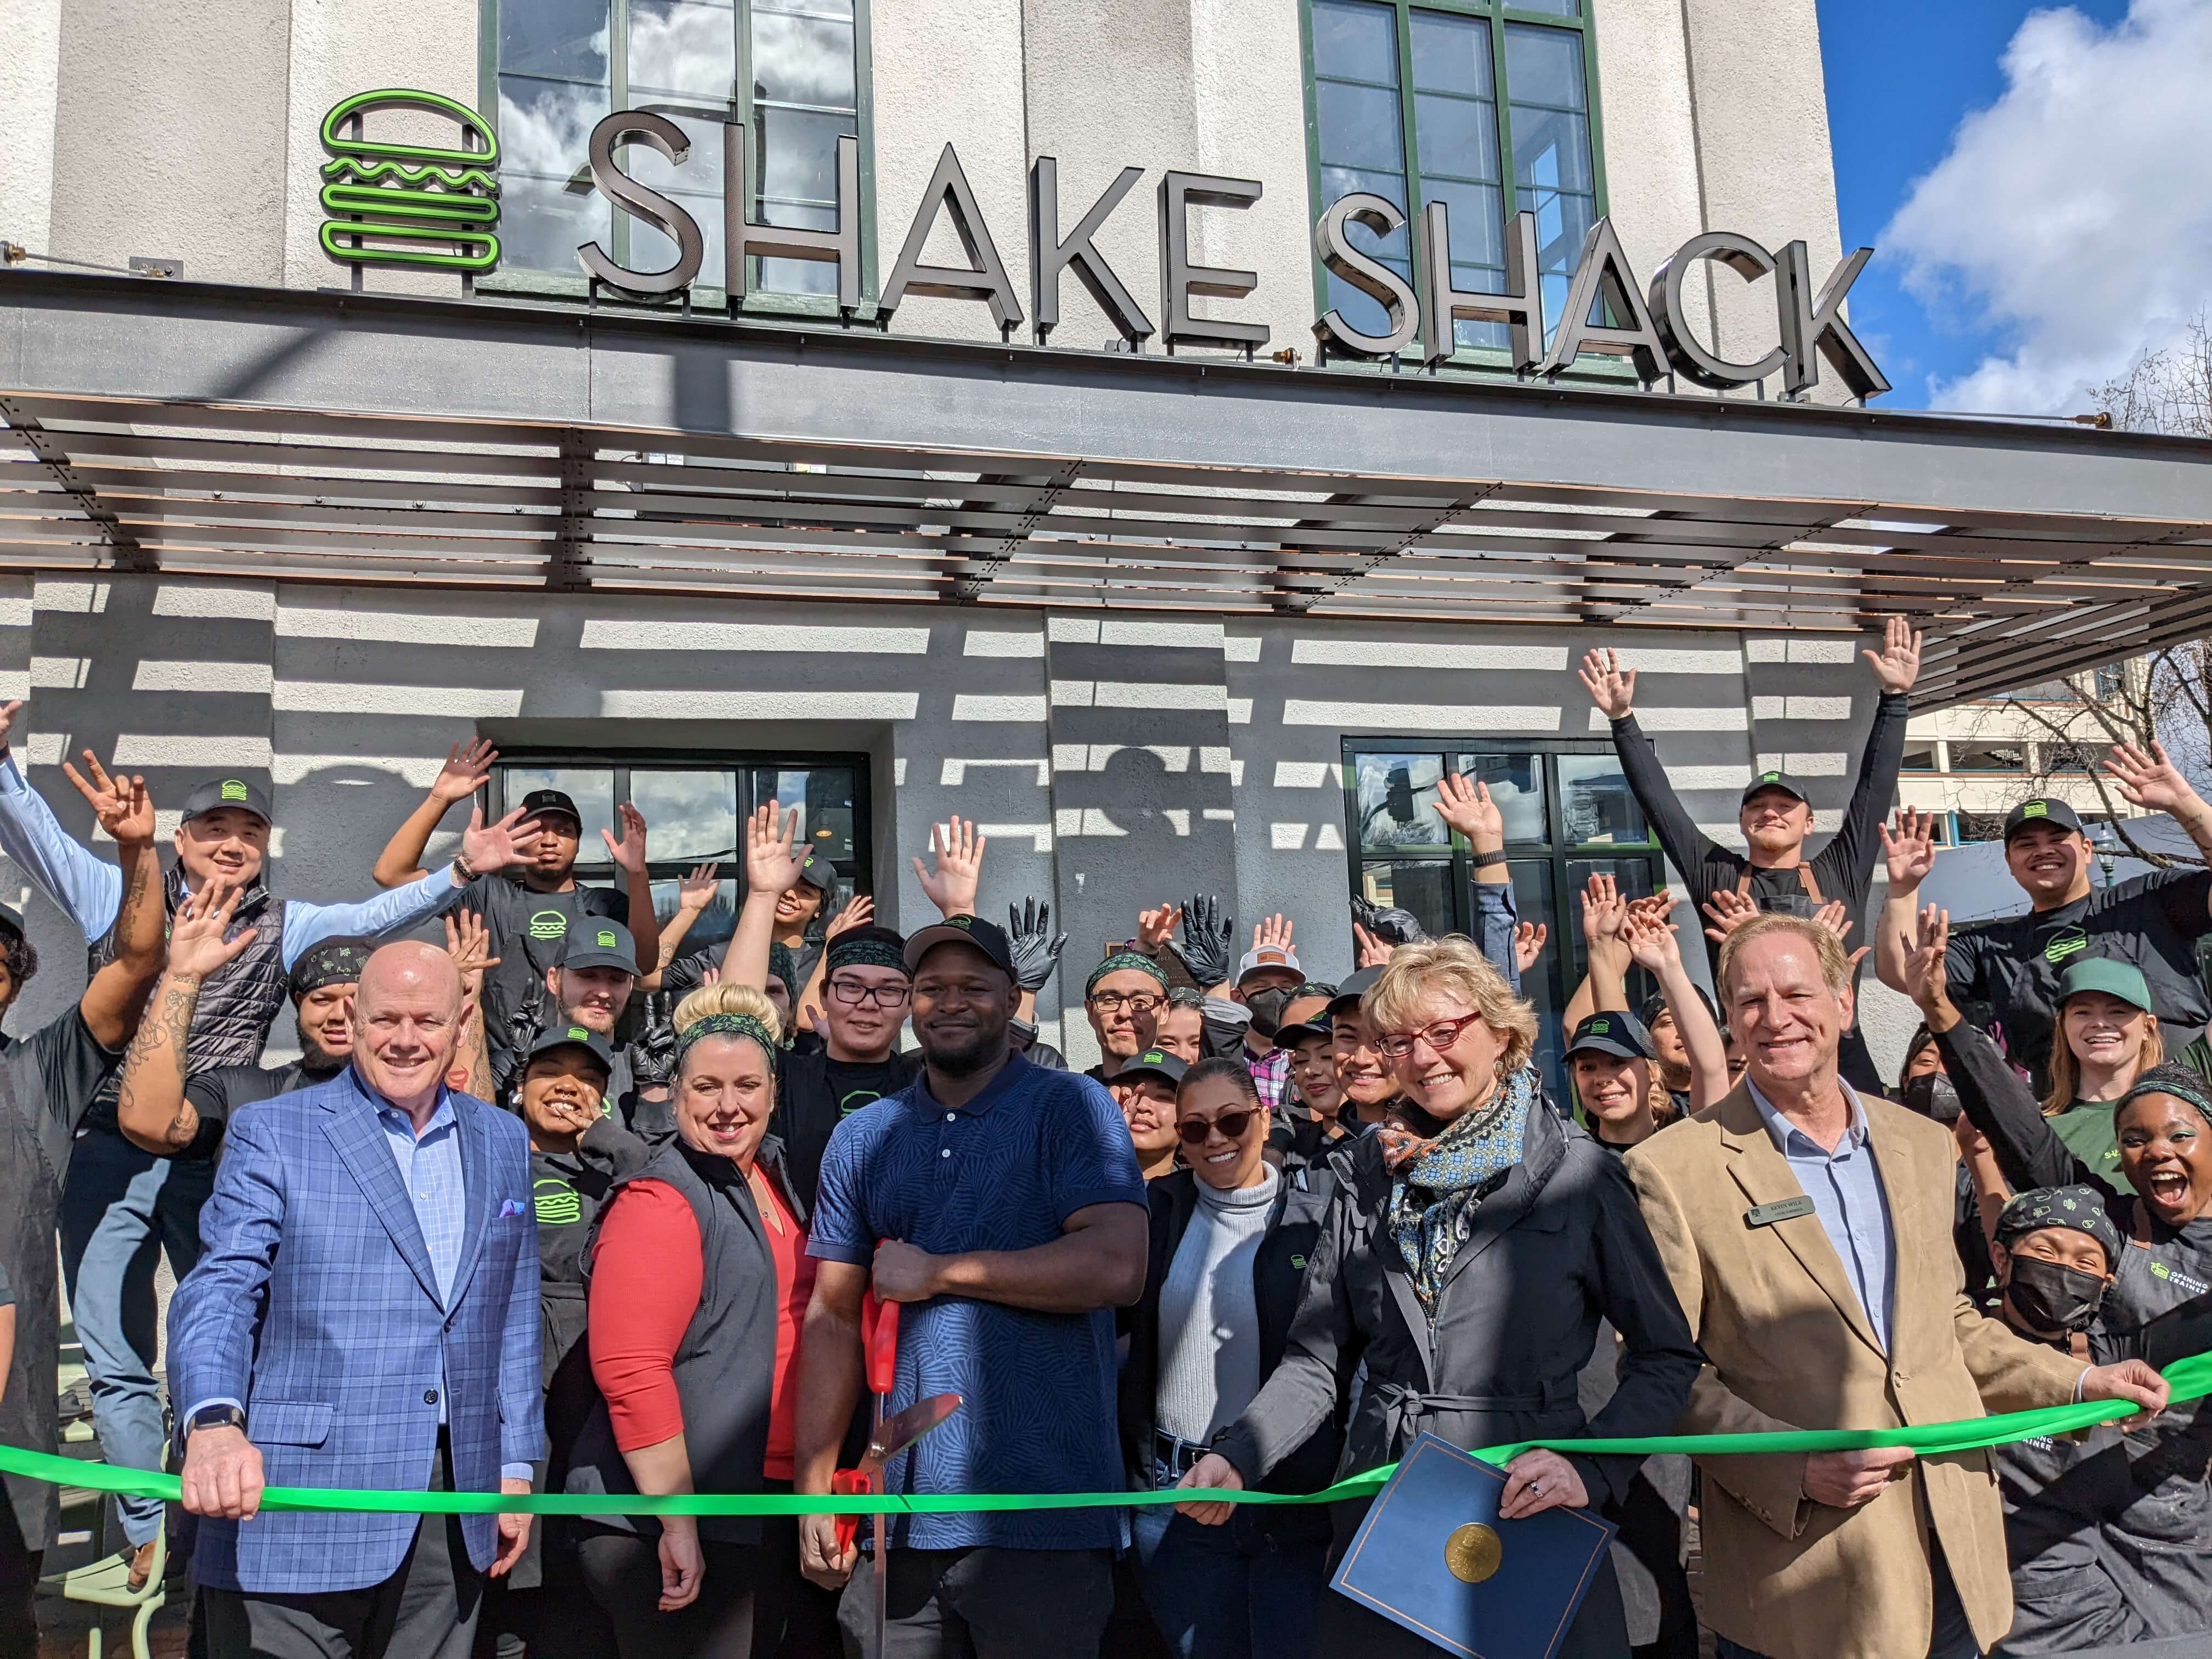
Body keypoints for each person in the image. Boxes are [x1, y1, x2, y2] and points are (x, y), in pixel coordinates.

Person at [0, 707, 529, 1581]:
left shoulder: (288, 923)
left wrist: (459, 871)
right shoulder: (123, 892)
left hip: (216, 1149)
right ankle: (149, 1531)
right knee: (117, 1355)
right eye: (215, 827)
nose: (232, 843)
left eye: (248, 831)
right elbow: (42, 846)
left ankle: (210, 1504)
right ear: (181, 840)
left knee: (229, 1323)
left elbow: (377, 914)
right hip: (109, 1145)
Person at [1622, 912, 2168, 1659]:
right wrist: (1790, 1468)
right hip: (1805, 1573)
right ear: (1731, 1019)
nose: (1776, 1018)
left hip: (1952, 1550)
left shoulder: (1920, 1144)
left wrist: (2076, 1382)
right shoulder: (1672, 1170)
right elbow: (1665, 1367)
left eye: (1797, 994)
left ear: (1843, 1003)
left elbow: (1946, 1325)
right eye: (1751, 1001)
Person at [1175, 935, 1705, 1657]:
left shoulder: (1579, 1175)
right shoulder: (1365, 1173)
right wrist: (1240, 1455)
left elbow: (1666, 1356)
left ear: (1502, 1033)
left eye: (1444, 1032)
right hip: (1389, 1505)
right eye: (1400, 1041)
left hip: (1527, 1503)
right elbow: (1316, 1360)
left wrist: (1592, 1467)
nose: (1423, 1058)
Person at [172, 941, 542, 1659]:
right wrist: (214, 1421)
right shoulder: (274, 1130)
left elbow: (514, 1310)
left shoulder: (501, 1137)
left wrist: (516, 1462)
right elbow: (222, 1285)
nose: (406, 1039)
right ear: (355, 1019)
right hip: (296, 1502)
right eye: (386, 1019)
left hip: (452, 1502)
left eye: (427, 1020)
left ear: (462, 1021)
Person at [794, 913, 1148, 1657]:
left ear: (1013, 999)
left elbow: (1118, 1266)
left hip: (1044, 1518)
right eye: (932, 988)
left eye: (973, 987)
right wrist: (815, 1488)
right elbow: (831, 1318)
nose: (950, 1003)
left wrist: (940, 1272)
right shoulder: (863, 1135)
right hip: (894, 1523)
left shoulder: (1070, 1106)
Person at [565, 982, 816, 1658]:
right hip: (670, 1518)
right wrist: (678, 1519)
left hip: (755, 1501)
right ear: (676, 1094)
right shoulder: (661, 1195)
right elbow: (631, 1370)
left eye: (747, 1085)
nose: (728, 1106)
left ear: (773, 1093)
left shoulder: (773, 1174)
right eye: (706, 1086)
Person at [1579, 619, 1921, 1094]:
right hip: (1749, 1061)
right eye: (1757, 807)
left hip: (1843, 1059)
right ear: (1742, 822)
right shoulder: (1717, 877)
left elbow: (1874, 788)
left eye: (1785, 806)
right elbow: (1662, 806)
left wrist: (1895, 698)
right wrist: (1622, 720)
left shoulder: (1840, 871)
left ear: (1809, 823)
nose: (1770, 813)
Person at [0, 759, 166, 1629]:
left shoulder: (43, 1073)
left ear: (16, 981)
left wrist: (137, 857)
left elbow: (138, 960)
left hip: (8, 1431)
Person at [1122, 1059, 1339, 1659]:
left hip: (1285, 1501)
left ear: (1264, 1120)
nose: (1215, 1138)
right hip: (1175, 1496)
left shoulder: (1319, 1220)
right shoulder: (1156, 1211)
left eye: (1232, 1121)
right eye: (1195, 1128)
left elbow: (1332, 1364)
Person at [1876, 742, 2212, 1084]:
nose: (2043, 851)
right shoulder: (1991, 948)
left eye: (2057, 838)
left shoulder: (2149, 899)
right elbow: (1903, 972)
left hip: (2187, 1096)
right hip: (2066, 1111)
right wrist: (1903, 888)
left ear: (2087, 850)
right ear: (2009, 862)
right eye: (2027, 844)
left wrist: (2185, 804)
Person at [484, 1022, 653, 1659]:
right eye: (551, 1072)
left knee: (573, 1568)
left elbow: (662, 1192)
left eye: (587, 1079)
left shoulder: (619, 1167)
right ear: (520, 1086)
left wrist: (606, 1139)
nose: (568, 1087)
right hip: (506, 1378)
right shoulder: (490, 1156)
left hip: (590, 1379)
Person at [376, 753, 660, 1075]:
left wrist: (637, 873)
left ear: (578, 843)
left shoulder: (604, 906)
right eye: (536, 830)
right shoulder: (487, 896)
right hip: (498, 1072)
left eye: (563, 830)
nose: (550, 840)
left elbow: (645, 964)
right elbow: (391, 874)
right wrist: (439, 800)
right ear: (517, 839)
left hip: (586, 1068)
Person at [1977, 1187, 2149, 1657]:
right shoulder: (1952, 1350)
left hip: (2091, 1617)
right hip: (1977, 1613)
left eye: (2085, 1262)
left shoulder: (2115, 1362)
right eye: (2046, 1252)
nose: (2063, 1270)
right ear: (2002, 1258)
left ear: (2104, 1284)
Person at [1084, 951, 1170, 1082]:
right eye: (1110, 1000)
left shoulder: (1186, 1092)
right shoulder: (1071, 1093)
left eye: (1141, 1001)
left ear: (1164, 1012)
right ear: (1090, 1011)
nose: (1124, 1013)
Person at [1109, 1047, 1188, 1183]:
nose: (1142, 1106)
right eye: (1132, 1092)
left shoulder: (1199, 1191)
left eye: (1163, 1097)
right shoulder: (1076, 1179)